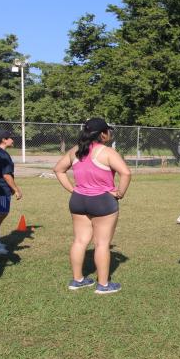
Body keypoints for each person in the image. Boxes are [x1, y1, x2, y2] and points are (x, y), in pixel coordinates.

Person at [53, 118, 131, 294]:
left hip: (78, 200)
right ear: (103, 133)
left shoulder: (75, 151)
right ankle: (103, 285)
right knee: (102, 243)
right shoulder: (107, 152)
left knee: (80, 241)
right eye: (108, 131)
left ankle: (77, 280)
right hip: (102, 201)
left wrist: (73, 189)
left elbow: (58, 170)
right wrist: (120, 193)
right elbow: (126, 173)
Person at [0, 130, 22, 254]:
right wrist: (15, 189)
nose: (13, 140)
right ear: (4, 140)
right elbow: (6, 175)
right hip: (1, 189)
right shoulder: (2, 154)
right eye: (10, 138)